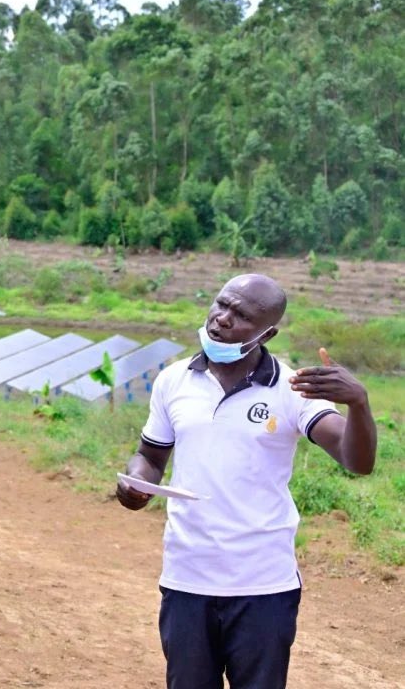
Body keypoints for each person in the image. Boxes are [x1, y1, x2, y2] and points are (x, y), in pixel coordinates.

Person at [116, 273, 377, 689]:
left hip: (263, 586)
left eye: (240, 315)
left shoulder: (293, 390)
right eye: (220, 304)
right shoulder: (174, 380)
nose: (221, 318)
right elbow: (149, 456)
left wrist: (359, 404)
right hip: (187, 579)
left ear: (266, 332)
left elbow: (355, 459)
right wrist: (135, 483)